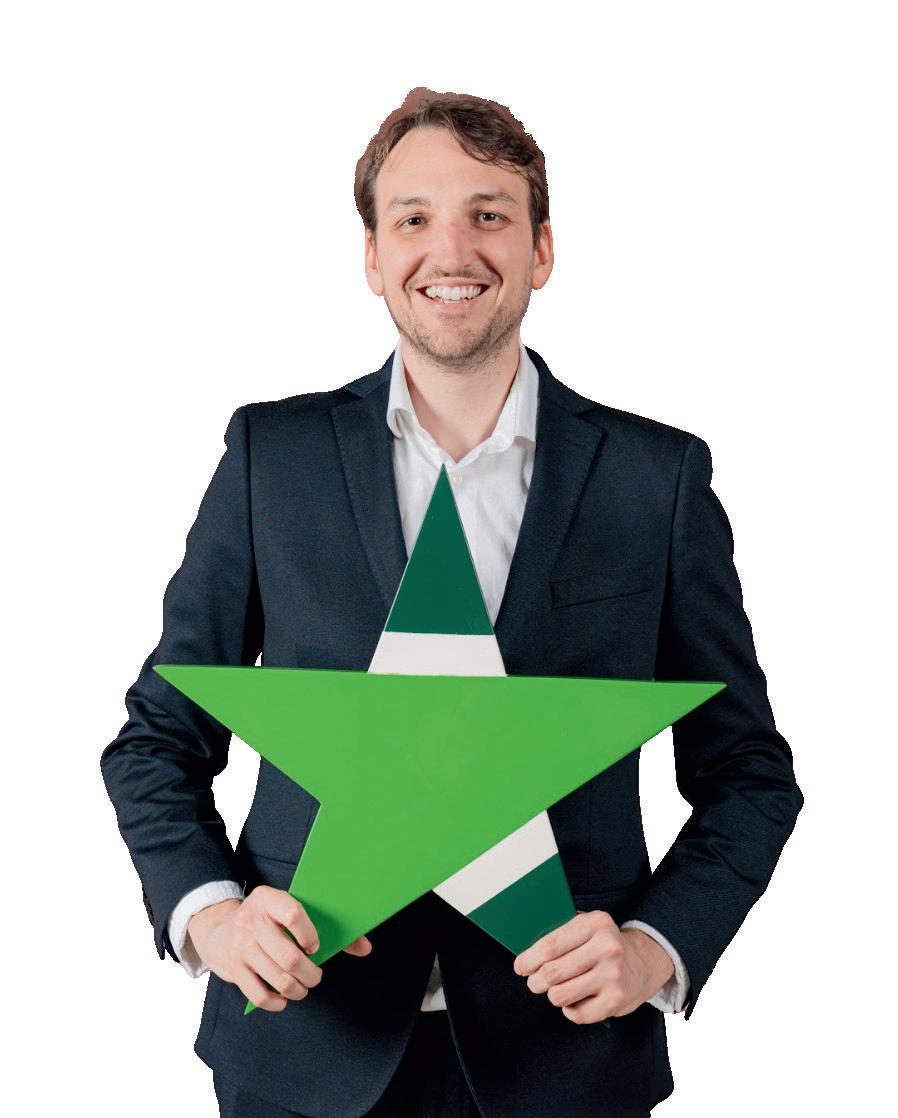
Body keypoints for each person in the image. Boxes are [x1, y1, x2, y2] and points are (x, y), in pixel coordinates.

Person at [100, 88, 804, 1118]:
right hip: (302, 1050)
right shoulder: (270, 458)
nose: (451, 249)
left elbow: (748, 774)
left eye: (488, 214)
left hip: (567, 1062)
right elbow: (157, 739)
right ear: (373, 256)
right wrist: (211, 915)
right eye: (413, 218)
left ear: (541, 248)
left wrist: (655, 947)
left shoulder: (654, 480)